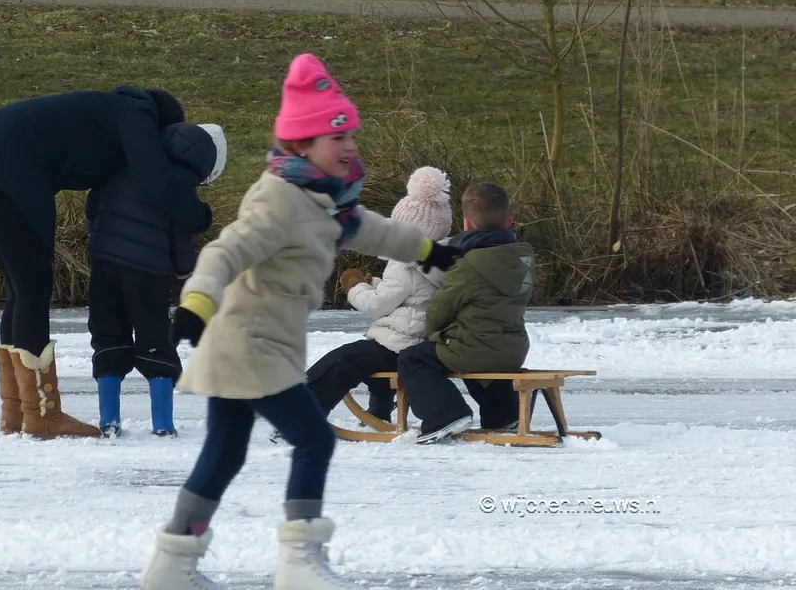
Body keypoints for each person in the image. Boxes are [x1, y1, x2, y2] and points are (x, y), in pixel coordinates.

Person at [138, 54, 465, 590]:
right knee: (315, 439)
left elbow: (373, 231)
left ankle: (172, 565)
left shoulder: (323, 203)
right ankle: (300, 563)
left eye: (351, 136)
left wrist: (427, 248)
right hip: (251, 344)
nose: (350, 146)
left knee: (223, 454)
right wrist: (197, 301)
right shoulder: (281, 200)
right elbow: (226, 250)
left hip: (255, 343)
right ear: (302, 145)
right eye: (338, 138)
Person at [0, 87, 211, 440]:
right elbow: (155, 179)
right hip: (2, 164)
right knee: (32, 287)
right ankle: (43, 416)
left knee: (20, 287)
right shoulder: (136, 110)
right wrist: (197, 216)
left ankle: (18, 412)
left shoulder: (108, 113)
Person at [86, 121, 227, 437]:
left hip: (105, 264)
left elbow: (94, 206)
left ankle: (109, 420)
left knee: (108, 334)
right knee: (155, 339)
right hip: (147, 272)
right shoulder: (176, 186)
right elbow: (179, 238)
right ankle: (162, 424)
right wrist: (190, 275)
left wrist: (102, 236)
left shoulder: (125, 164)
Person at [290, 166, 453, 432]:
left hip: (402, 342)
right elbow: (412, 295)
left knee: (345, 359)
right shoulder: (445, 257)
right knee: (370, 351)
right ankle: (379, 411)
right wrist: (374, 283)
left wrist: (354, 287)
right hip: (422, 342)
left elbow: (377, 305)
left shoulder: (404, 263)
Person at [397, 181, 534, 444]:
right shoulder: (524, 259)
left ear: (467, 224)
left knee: (414, 359)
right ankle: (503, 414)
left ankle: (445, 414)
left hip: (475, 349)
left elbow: (441, 308)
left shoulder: (469, 264)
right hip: (513, 349)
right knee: (476, 350)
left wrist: (434, 334)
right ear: (510, 221)